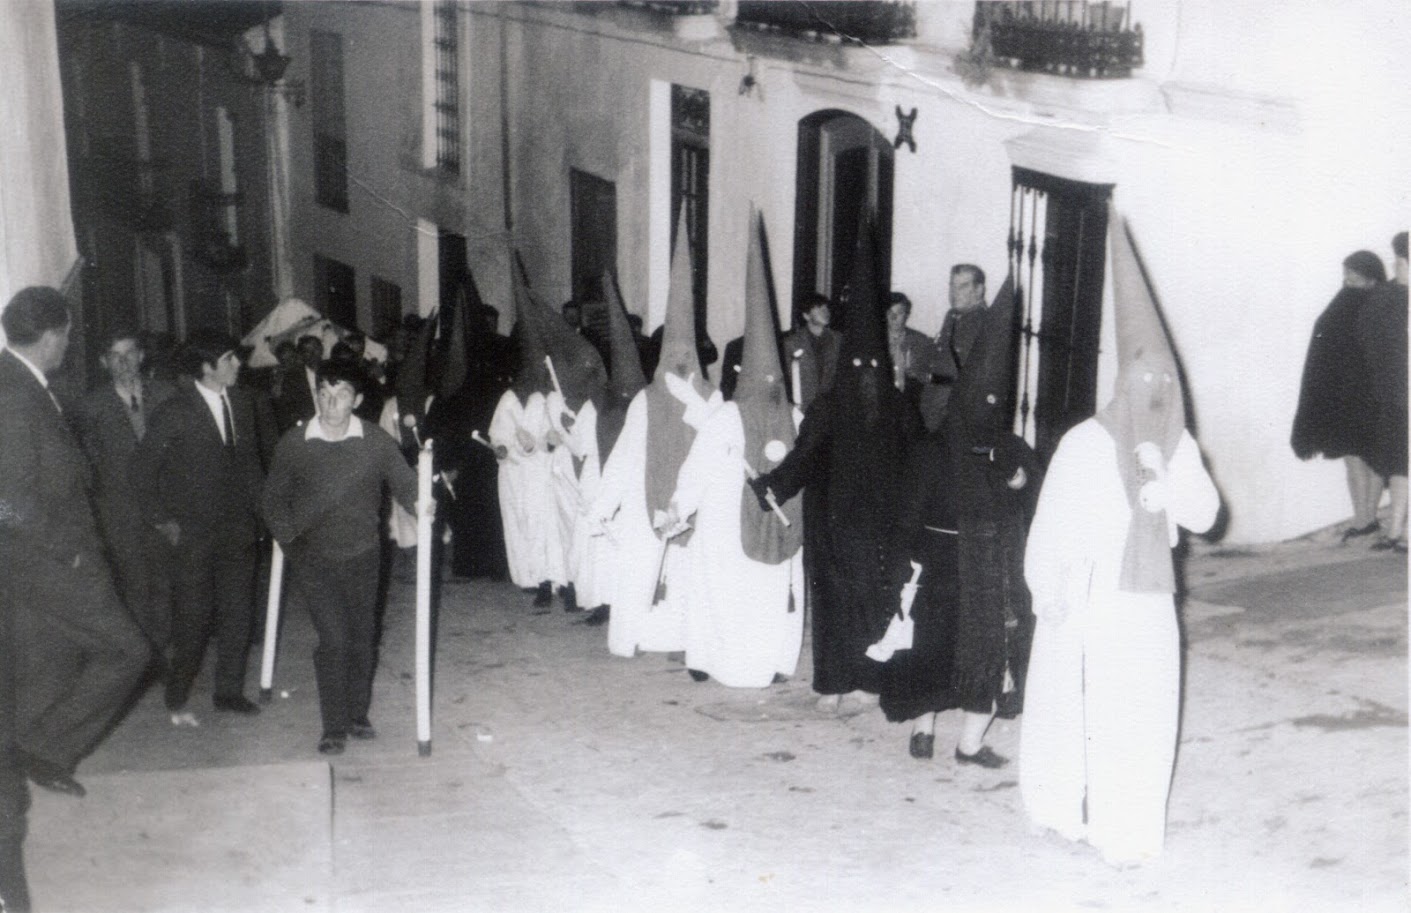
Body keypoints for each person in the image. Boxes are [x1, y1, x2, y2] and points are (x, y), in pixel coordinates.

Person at [1020, 207, 1220, 866]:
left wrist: (1173, 489)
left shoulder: (1177, 445)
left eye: (1164, 382)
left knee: (1143, 707)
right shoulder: (1084, 442)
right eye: (1142, 379)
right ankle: (1064, 808)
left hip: (1148, 598)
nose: (1153, 393)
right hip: (1089, 593)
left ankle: (1127, 829)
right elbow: (1051, 524)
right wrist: (1045, 588)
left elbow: (1206, 515)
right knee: (1083, 705)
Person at [754, 212, 920, 711]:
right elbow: (805, 456)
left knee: (874, 598)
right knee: (833, 601)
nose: (867, 376)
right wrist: (774, 485)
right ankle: (833, 682)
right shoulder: (831, 406)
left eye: (874, 367)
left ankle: (869, 680)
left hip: (879, 524)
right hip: (832, 524)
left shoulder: (899, 407)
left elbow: (919, 459)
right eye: (859, 367)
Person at [880, 277, 1040, 766]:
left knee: (982, 653)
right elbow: (910, 511)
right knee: (936, 648)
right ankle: (927, 729)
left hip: (985, 570)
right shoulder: (934, 449)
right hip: (944, 566)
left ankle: (963, 741)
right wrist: (902, 565)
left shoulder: (1005, 447)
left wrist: (1017, 479)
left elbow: (1029, 491)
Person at [0, 287, 151, 806]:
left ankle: (28, 756)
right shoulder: (13, 395)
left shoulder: (26, 383)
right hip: (53, 564)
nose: (68, 343)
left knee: (46, 664)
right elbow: (7, 501)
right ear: (49, 336)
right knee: (129, 651)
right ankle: (43, 750)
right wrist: (67, 552)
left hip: (41, 562)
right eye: (65, 334)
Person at [671, 211, 804, 687]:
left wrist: (681, 506)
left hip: (740, 523)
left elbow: (696, 469)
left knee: (735, 589)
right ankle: (749, 661)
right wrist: (681, 507)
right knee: (749, 589)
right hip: (744, 522)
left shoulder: (752, 415)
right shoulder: (783, 415)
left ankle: (735, 659)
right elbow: (699, 467)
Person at [263, 361, 420, 755]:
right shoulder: (295, 442)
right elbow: (273, 501)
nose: (331, 404)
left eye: (342, 395)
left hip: (364, 554)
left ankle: (357, 713)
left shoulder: (375, 441)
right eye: (325, 395)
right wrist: (291, 541)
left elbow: (405, 485)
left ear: (358, 400)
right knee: (334, 639)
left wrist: (423, 504)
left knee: (362, 638)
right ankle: (333, 726)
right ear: (316, 396)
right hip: (313, 557)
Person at [591, 210, 721, 657]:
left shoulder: (713, 401)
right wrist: (603, 505)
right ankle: (634, 636)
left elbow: (722, 449)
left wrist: (698, 407)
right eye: (674, 360)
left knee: (689, 570)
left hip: (697, 503)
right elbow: (625, 455)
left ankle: (685, 639)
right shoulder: (646, 401)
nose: (681, 368)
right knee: (640, 566)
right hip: (642, 495)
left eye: (689, 360)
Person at [135, 329, 267, 725]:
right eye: (229, 359)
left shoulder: (243, 403)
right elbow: (141, 471)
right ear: (206, 368)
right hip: (193, 536)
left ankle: (228, 692)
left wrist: (264, 515)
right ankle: (177, 694)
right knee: (193, 619)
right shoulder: (174, 411)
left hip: (238, 531)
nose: (238, 364)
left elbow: (252, 466)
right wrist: (163, 521)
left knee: (238, 614)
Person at [75, 330, 176, 657]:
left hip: (165, 507)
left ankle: (163, 654)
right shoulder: (90, 407)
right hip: (120, 513)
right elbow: (87, 465)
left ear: (141, 356)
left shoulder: (167, 395)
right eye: (115, 356)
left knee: (166, 583)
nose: (124, 362)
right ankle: (142, 659)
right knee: (134, 587)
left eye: (130, 353)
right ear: (104, 362)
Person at [1290, 251, 1388, 540]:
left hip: (1370, 396)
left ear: (1371, 276)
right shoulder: (1342, 304)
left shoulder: (1379, 304)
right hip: (1346, 397)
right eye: (1346, 273)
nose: (1348, 279)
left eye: (1354, 273)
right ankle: (1363, 519)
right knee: (1354, 460)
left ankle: (1367, 519)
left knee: (1372, 459)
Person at [489, 272, 564, 609]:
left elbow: (559, 432)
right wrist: (503, 446)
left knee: (545, 526)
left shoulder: (551, 398)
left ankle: (549, 580)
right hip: (515, 473)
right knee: (520, 524)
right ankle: (529, 576)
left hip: (543, 472)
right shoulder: (509, 398)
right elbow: (498, 433)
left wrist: (548, 442)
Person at [1360, 231, 1408, 552]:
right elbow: (1368, 338)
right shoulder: (1389, 297)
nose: (1396, 266)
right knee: (1400, 464)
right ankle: (1395, 531)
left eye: (1401, 261)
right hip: (1396, 396)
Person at [918, 264, 988, 432]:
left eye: (962, 286)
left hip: (956, 406)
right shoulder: (952, 316)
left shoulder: (984, 321)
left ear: (979, 290)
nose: (954, 292)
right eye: (952, 285)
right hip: (935, 399)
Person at [781, 292, 840, 412]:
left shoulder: (838, 340)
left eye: (826, 308)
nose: (826, 312)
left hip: (833, 407)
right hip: (804, 408)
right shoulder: (792, 343)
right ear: (806, 316)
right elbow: (787, 378)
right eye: (819, 309)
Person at [885, 291, 938, 396]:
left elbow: (932, 376)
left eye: (899, 312)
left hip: (912, 400)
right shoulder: (876, 341)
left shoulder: (922, 341)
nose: (893, 317)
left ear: (907, 315)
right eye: (889, 312)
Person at [275, 334, 322, 432]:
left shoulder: (333, 371)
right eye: (307, 351)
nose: (313, 353)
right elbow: (288, 410)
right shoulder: (292, 379)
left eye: (315, 348)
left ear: (322, 349)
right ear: (302, 354)